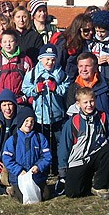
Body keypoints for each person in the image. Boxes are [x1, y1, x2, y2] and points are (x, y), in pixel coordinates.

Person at [58, 86, 109, 199]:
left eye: (91, 101)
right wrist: (62, 171)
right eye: (85, 102)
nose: (89, 105)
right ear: (78, 104)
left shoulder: (104, 117)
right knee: (72, 193)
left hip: (97, 155)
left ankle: (99, 185)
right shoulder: (72, 123)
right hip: (78, 160)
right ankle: (88, 180)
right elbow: (64, 148)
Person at [21, 43, 69, 171]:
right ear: (40, 59)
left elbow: (67, 88)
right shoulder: (32, 73)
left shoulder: (61, 73)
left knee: (59, 144)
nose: (50, 62)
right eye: (47, 59)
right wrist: (35, 89)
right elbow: (25, 88)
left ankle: (59, 168)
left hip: (57, 115)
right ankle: (44, 168)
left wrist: (56, 88)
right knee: (44, 143)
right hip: (40, 116)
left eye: (53, 59)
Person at [1, 106, 53, 204]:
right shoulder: (12, 140)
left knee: (45, 196)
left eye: (31, 121)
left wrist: (38, 166)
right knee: (24, 199)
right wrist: (19, 171)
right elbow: (7, 159)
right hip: (19, 178)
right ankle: (12, 189)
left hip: (37, 176)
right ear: (21, 122)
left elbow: (47, 156)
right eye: (26, 121)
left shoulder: (39, 138)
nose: (29, 124)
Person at [65, 52, 109, 122]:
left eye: (87, 66)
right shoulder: (73, 89)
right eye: (81, 66)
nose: (84, 69)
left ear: (96, 67)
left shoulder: (107, 86)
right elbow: (71, 115)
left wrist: (104, 124)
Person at [0, 29, 32, 108]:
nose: (8, 44)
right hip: (1, 103)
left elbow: (31, 83)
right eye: (5, 42)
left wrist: (30, 101)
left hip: (20, 102)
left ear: (16, 42)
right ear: (1, 44)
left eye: (11, 41)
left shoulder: (25, 61)